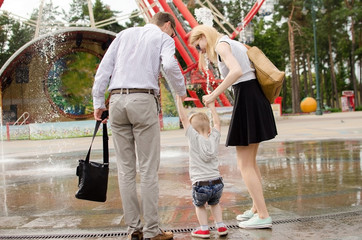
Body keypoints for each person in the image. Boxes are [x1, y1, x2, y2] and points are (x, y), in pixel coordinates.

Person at [92, 12, 187, 240]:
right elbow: (171, 65)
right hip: (143, 100)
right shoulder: (163, 38)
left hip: (116, 101)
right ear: (167, 25)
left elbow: (104, 70)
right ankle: (153, 230)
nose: (172, 36)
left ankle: (133, 230)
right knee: (147, 169)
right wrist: (181, 92)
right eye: (172, 32)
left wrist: (98, 102)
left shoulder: (123, 35)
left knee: (125, 170)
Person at [189, 25, 277, 229]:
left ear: (203, 36)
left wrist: (213, 95)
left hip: (247, 97)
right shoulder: (230, 42)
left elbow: (236, 71)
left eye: (198, 46)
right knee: (251, 163)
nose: (200, 50)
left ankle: (263, 215)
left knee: (244, 164)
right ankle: (256, 209)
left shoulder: (221, 45)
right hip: (253, 96)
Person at [176, 95, 228, 238]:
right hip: (217, 182)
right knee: (215, 204)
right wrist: (211, 106)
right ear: (209, 127)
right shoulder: (214, 137)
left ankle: (204, 229)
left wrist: (179, 101)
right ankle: (221, 226)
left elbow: (184, 119)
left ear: (192, 129)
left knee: (200, 205)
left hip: (201, 184)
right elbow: (217, 123)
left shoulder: (193, 137)